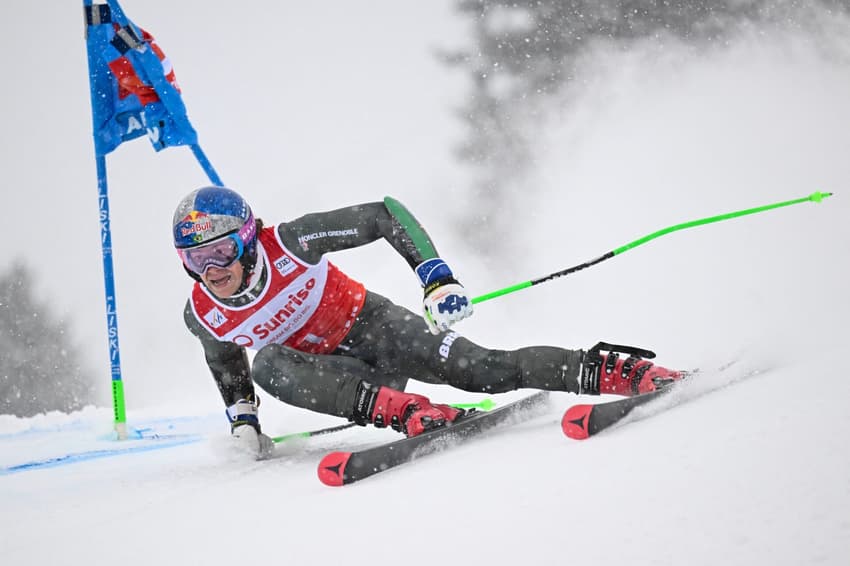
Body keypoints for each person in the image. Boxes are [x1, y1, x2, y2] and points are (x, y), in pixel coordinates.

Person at [173, 186, 683, 458]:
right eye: (195, 260)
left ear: (245, 237)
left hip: (380, 329)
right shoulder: (203, 312)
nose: (212, 270)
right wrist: (244, 421)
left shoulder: (291, 242)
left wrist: (436, 278)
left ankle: (615, 373)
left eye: (219, 251)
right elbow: (225, 361)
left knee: (482, 369)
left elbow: (384, 212)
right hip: (346, 381)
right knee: (267, 363)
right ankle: (410, 412)